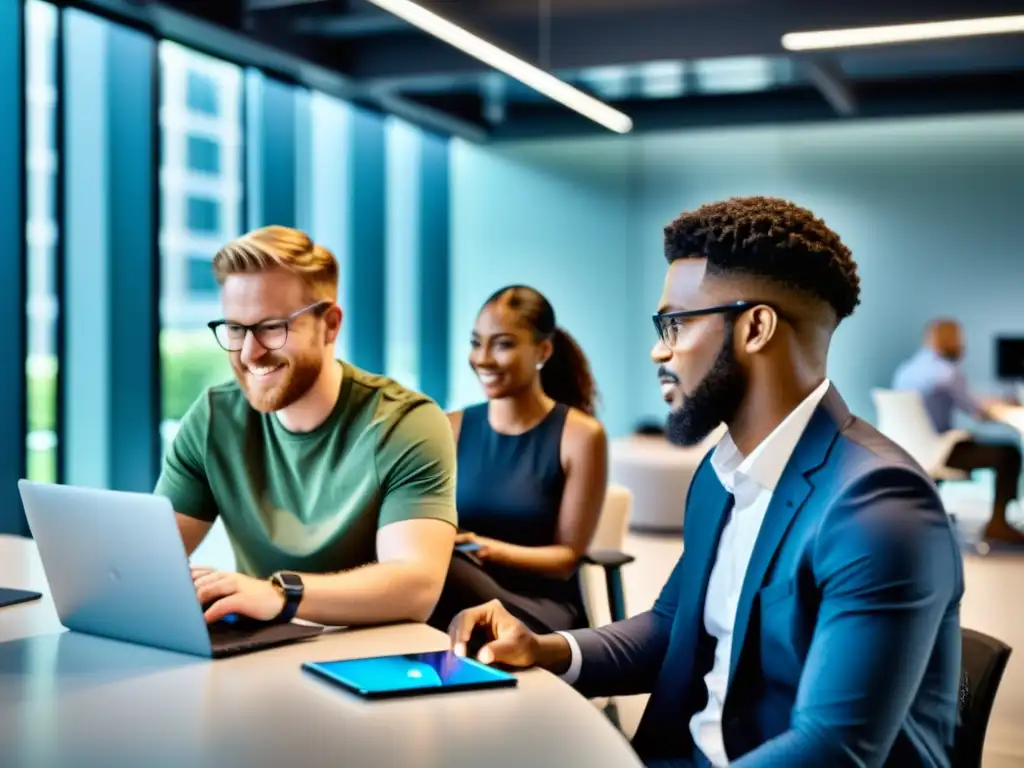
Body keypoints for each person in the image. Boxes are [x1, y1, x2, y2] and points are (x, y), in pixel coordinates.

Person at [448, 197, 963, 767]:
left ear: (756, 327)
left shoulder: (877, 505)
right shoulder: (721, 471)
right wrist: (544, 649)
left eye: (674, 323)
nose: (657, 350)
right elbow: (675, 626)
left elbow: (833, 750)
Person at [156, 226, 457, 628]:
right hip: (262, 650)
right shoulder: (214, 417)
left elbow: (415, 588)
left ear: (330, 324)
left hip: (373, 660)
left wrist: (280, 594)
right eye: (235, 329)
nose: (250, 353)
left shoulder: (405, 424)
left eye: (271, 327)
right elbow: (153, 560)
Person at [427, 286, 608, 635]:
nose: (483, 358)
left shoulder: (582, 436)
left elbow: (566, 560)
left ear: (543, 350)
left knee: (443, 569)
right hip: (459, 595)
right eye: (476, 342)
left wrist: (484, 548)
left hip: (538, 609)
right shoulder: (449, 428)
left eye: (503, 344)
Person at [893, 318, 1024, 543]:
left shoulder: (906, 370)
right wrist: (1004, 406)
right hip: (940, 451)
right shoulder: (947, 373)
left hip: (908, 449)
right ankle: (998, 524)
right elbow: (979, 411)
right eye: (959, 340)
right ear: (950, 341)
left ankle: (924, 515)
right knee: (1009, 453)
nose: (963, 346)